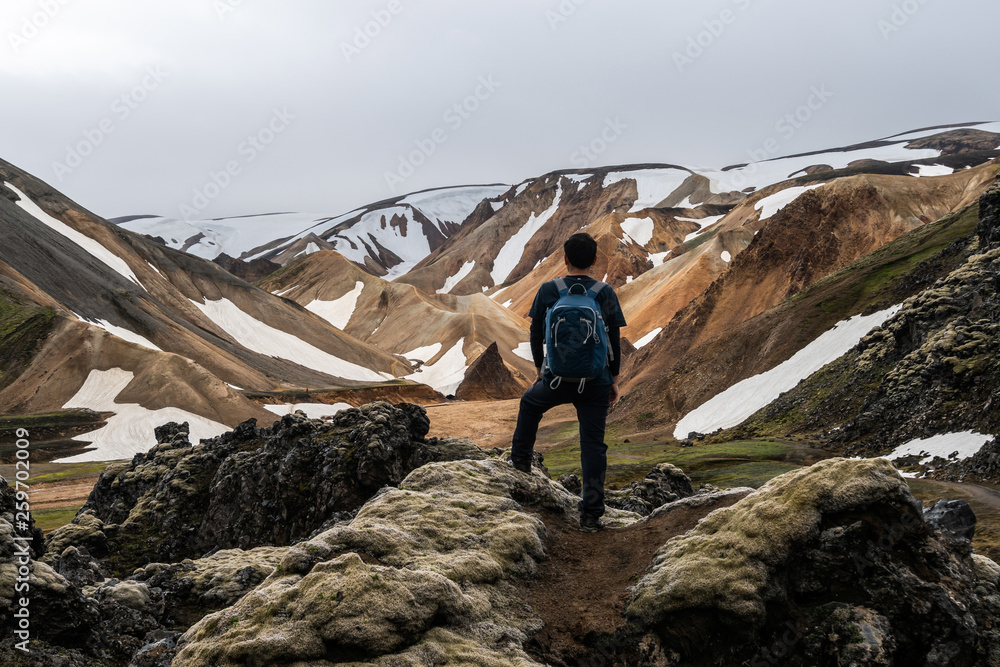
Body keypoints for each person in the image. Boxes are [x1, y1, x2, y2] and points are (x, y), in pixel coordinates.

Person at [510, 232, 626, 533]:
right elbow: (613, 338)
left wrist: (540, 369)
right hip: (596, 380)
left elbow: (536, 333)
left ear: (565, 259)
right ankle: (590, 515)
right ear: (595, 260)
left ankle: (520, 467)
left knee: (529, 403)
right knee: (592, 445)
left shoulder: (550, 289)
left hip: (556, 377)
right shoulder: (605, 292)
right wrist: (613, 379)